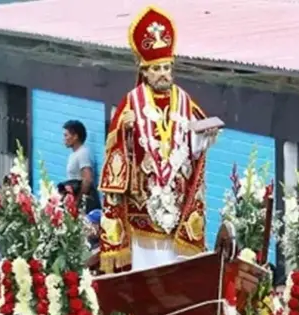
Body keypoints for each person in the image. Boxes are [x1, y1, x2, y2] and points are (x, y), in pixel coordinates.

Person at [98, 5, 220, 274]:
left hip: (177, 206)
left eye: (167, 67)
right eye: (157, 68)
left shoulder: (184, 100)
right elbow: (115, 151)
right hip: (144, 206)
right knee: (147, 275)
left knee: (179, 276)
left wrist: (204, 138)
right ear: (144, 71)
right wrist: (126, 132)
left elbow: (194, 148)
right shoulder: (131, 102)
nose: (164, 73)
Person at [62, 120, 99, 213]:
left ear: (75, 136)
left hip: (84, 203)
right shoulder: (74, 154)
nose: (64, 138)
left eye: (66, 135)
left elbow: (87, 179)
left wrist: (77, 202)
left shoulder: (83, 153)